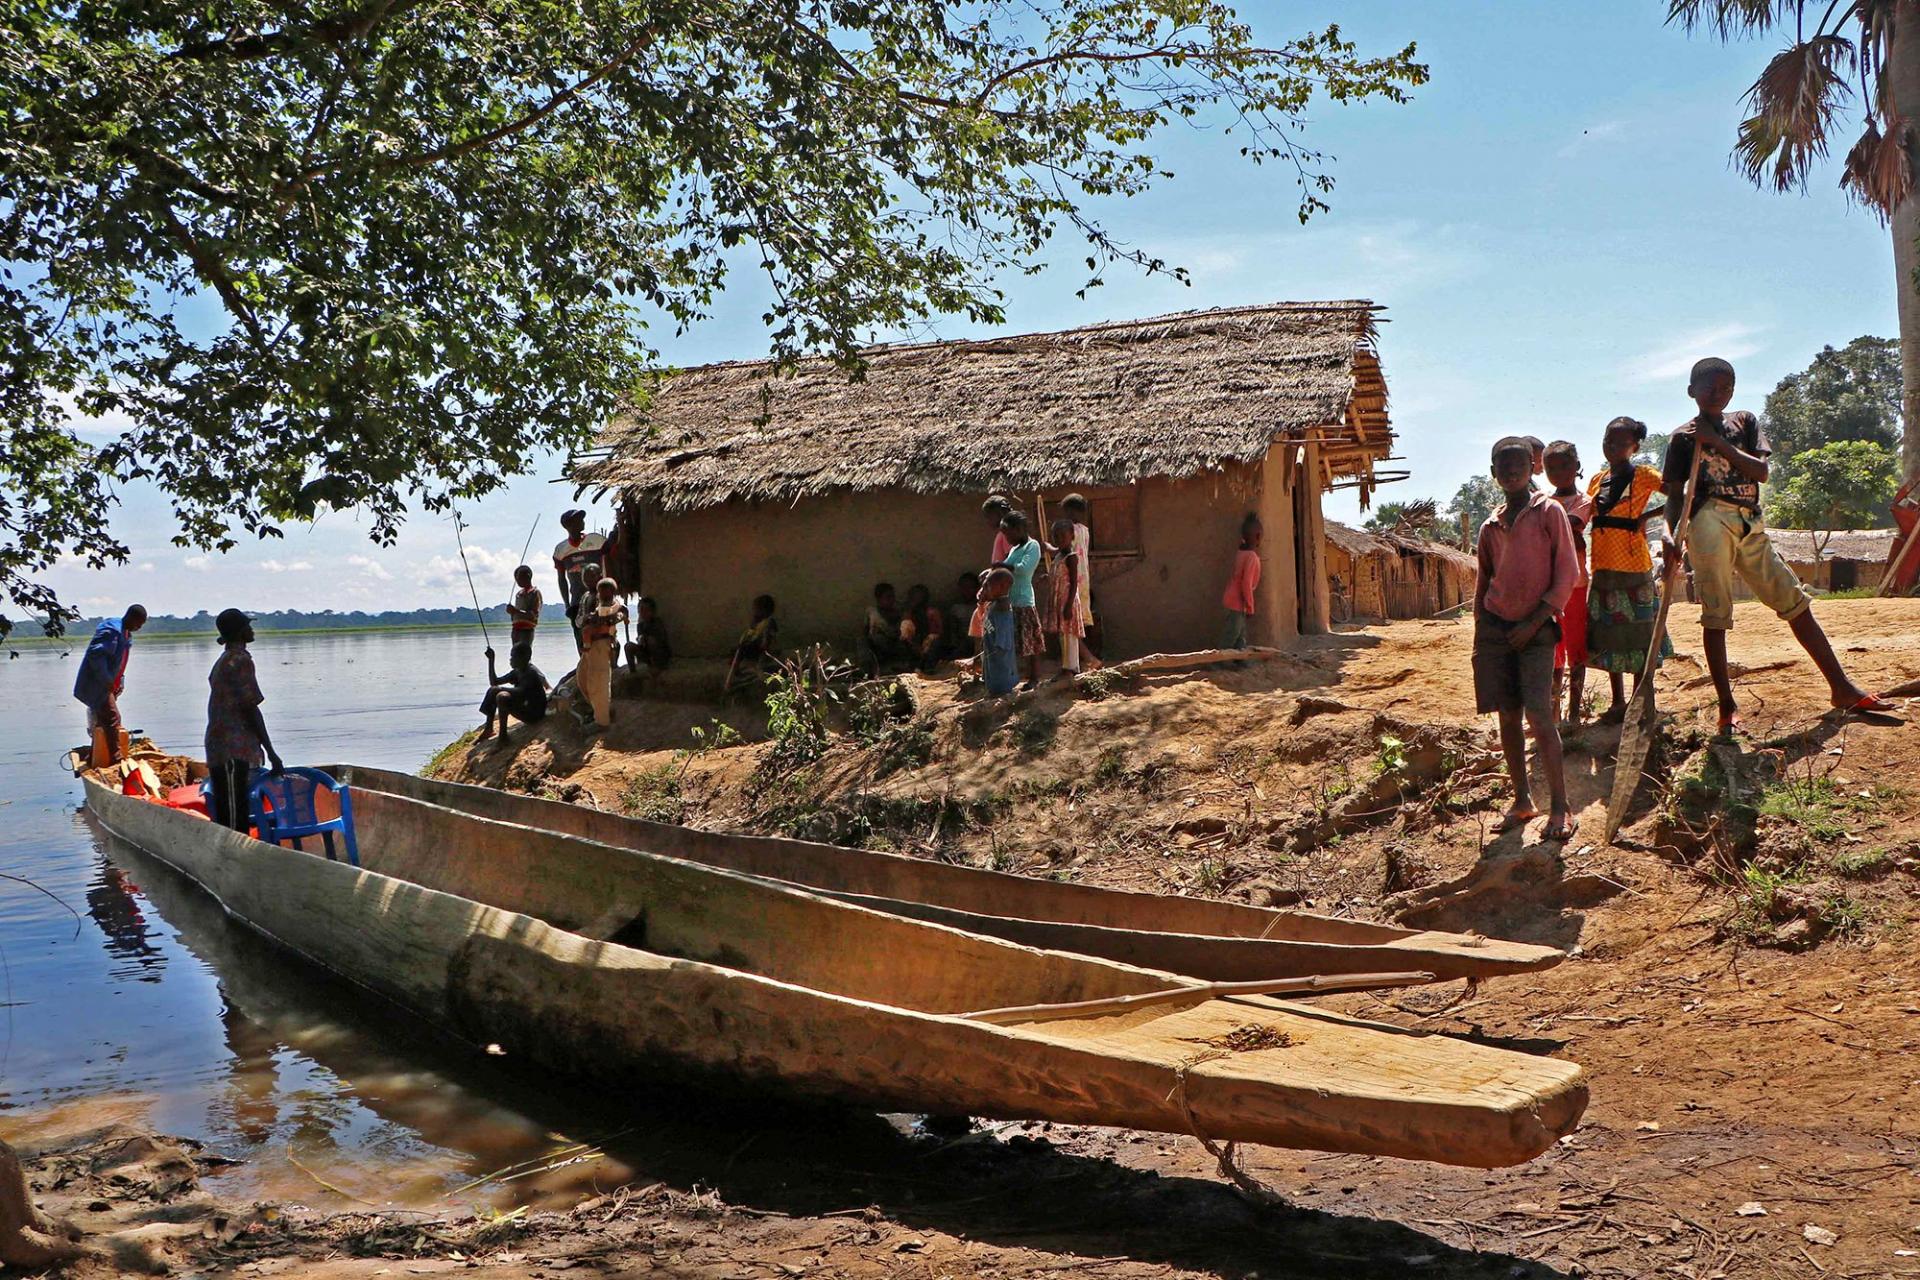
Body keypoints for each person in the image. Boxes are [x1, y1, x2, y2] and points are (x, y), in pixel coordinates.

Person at [1663, 358, 1896, 735]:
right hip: (1707, 521)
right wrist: (1669, 535)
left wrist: (1717, 442)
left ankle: (1841, 687)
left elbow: (1762, 472)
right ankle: (1727, 706)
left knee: (1794, 600)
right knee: (1716, 614)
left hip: (1749, 520)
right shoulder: (1681, 438)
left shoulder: (1745, 422)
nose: (1718, 394)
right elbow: (1675, 495)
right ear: (1692, 391)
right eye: (1710, 388)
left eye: (1726, 388)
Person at [1475, 437, 1579, 842]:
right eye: (1504, 466)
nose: (1512, 471)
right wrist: (1485, 630)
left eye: (1519, 464)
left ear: (1532, 469)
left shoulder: (1548, 512)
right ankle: (1522, 801)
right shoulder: (1489, 526)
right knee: (1507, 715)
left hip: (1537, 631)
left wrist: (1535, 621)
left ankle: (1561, 806)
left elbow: (1566, 575)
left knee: (1538, 713)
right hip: (1498, 631)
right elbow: (1484, 583)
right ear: (1494, 473)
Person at [1585, 417, 1673, 724]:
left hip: (1634, 566)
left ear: (1634, 447)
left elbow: (1681, 494)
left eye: (1621, 443)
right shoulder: (1597, 480)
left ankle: (1638, 700)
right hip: (1603, 566)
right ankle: (1618, 702)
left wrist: (1648, 516)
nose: (1613, 447)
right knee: (1609, 633)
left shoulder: (1645, 476)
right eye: (1609, 440)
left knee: (1637, 633)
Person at [205, 608, 283, 834]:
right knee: (233, 817)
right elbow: (251, 709)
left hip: (223, 746)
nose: (252, 630)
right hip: (232, 749)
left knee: (231, 810)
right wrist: (271, 751)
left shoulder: (224, 659)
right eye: (248, 627)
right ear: (240, 633)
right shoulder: (239, 660)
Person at [1544, 441, 1593, 727]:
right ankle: (1552, 712)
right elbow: (1568, 534)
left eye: (1564, 466)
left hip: (1574, 585)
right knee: (1553, 649)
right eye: (1551, 467)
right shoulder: (1546, 503)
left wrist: (1552, 532)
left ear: (1576, 467)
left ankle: (1574, 712)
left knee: (1575, 648)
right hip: (1548, 587)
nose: (1558, 472)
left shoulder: (1583, 501)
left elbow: (1569, 527)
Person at [72, 605, 146, 765]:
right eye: (139, 624)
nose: (139, 628)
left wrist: (119, 681)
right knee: (113, 718)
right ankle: (116, 759)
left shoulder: (126, 634)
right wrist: (107, 681)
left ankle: (94, 757)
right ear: (131, 618)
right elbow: (96, 655)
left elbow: (119, 661)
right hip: (97, 685)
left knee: (102, 721)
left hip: (108, 685)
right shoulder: (112, 630)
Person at [999, 511, 1046, 690]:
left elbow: (1024, 569)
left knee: (1030, 643)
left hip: (1024, 600)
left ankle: (1034, 678)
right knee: (1016, 641)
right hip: (1011, 600)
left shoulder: (1032, 546)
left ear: (1019, 529)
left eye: (1008, 533)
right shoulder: (1014, 549)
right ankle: (1016, 676)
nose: (1006, 538)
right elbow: (1007, 569)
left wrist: (1003, 566)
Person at [552, 508, 608, 649]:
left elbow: (613, 553)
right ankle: (584, 666)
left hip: (599, 598)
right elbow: (561, 579)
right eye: (577, 520)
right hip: (577, 600)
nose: (581, 522)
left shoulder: (596, 540)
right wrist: (567, 603)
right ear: (568, 526)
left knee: (603, 634)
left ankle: (609, 664)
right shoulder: (561, 550)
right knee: (581, 639)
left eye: (581, 519)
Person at [576, 575, 627, 730]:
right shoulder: (599, 606)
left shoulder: (616, 607)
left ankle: (602, 721)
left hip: (601, 644)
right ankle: (600, 711)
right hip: (590, 647)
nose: (603, 595)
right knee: (582, 678)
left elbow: (618, 617)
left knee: (599, 682)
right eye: (601, 592)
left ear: (613, 592)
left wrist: (602, 622)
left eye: (606, 592)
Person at [478, 645, 550, 743]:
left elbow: (522, 692)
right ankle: (489, 728)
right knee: (494, 690)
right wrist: (491, 660)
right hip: (525, 707)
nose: (510, 660)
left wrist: (499, 689)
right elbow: (494, 681)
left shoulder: (530, 673)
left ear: (524, 658)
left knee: (502, 696)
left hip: (534, 714)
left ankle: (503, 738)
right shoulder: (517, 672)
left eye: (513, 657)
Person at [1061, 494, 1099, 667]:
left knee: (1070, 625)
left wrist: (1050, 547)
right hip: (1083, 582)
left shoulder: (1071, 530)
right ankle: (1085, 661)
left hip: (1072, 581)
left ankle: (1089, 659)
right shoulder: (1085, 530)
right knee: (1079, 622)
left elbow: (1064, 550)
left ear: (1070, 511)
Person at [1044, 517, 1084, 680]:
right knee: (1063, 635)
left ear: (1072, 536)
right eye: (1056, 537)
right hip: (1059, 601)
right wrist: (1047, 577)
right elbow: (1058, 574)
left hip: (1067, 601)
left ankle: (1071, 667)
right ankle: (1066, 666)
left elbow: (1074, 583)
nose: (1059, 540)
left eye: (1062, 536)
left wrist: (1068, 605)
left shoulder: (1071, 557)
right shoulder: (1059, 555)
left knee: (1069, 635)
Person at [1220, 514, 1262, 649]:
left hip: (1232, 599)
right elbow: (1246, 584)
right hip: (1236, 602)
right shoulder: (1251, 557)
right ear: (1258, 536)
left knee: (1240, 633)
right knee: (1232, 634)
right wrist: (1250, 606)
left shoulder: (1241, 553)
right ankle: (1218, 661)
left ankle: (1240, 659)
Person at [975, 567, 1018, 696]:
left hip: (1002, 668)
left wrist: (976, 658)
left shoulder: (1002, 611)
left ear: (1002, 587)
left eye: (988, 587)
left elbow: (1002, 645)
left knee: (1000, 694)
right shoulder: (993, 605)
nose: (985, 591)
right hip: (993, 665)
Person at [725, 594, 780, 694]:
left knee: (741, 650)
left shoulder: (769, 622)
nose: (754, 611)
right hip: (755, 645)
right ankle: (736, 669)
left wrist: (765, 649)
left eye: (757, 609)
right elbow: (749, 634)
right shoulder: (758, 622)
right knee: (737, 649)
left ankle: (736, 670)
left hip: (761, 648)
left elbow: (768, 638)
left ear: (764, 610)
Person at [861, 582, 912, 674]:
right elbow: (866, 634)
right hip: (878, 651)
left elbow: (901, 634)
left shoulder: (897, 613)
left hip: (894, 649)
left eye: (893, 596)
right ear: (879, 599)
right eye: (888, 597)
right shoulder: (872, 612)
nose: (892, 600)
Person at [506, 565, 543, 669]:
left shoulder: (535, 593)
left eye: (518, 578)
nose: (517, 581)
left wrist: (516, 611)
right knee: (516, 657)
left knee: (525, 658)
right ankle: (518, 679)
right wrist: (512, 612)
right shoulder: (519, 594)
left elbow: (533, 614)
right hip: (516, 630)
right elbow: (515, 614)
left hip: (527, 630)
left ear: (528, 576)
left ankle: (539, 681)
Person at [901, 584, 945, 671]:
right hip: (914, 647)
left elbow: (938, 633)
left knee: (932, 640)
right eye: (913, 597)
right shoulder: (909, 614)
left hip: (929, 647)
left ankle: (927, 667)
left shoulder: (932, 613)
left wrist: (927, 644)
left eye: (918, 597)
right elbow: (906, 635)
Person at [632, 596, 672, 673]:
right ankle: (633, 671)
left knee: (651, 641)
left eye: (646, 610)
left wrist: (646, 638)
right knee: (628, 646)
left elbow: (661, 640)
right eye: (641, 610)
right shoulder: (640, 625)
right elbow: (640, 641)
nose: (643, 613)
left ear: (652, 611)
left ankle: (658, 666)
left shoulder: (657, 623)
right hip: (646, 651)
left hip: (660, 653)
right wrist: (640, 639)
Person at [945, 572, 980, 659]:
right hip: (962, 642)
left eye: (970, 587)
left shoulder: (981, 607)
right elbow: (952, 630)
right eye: (964, 587)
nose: (966, 591)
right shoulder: (956, 608)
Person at [983, 494, 1016, 565]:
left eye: (989, 516)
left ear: (1000, 513)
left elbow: (1011, 562)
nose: (987, 520)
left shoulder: (1007, 533)